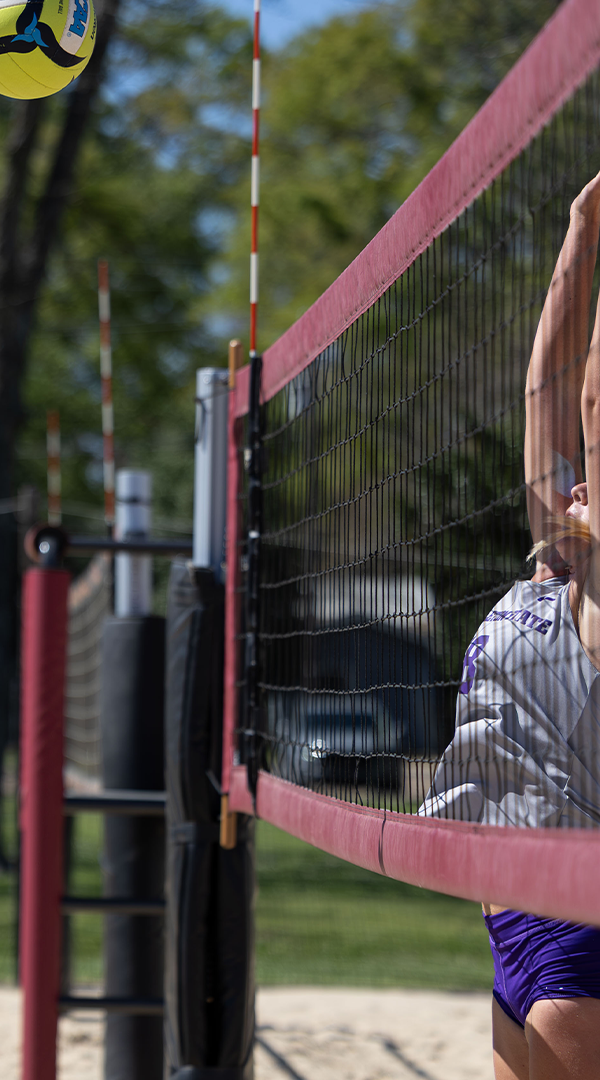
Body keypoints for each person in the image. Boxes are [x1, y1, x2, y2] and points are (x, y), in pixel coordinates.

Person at [418, 172, 600, 1080]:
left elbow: (588, 391)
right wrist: (581, 232)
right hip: (519, 920)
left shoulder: (596, 593)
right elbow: (548, 391)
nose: (572, 470)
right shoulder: (554, 564)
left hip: (577, 930)